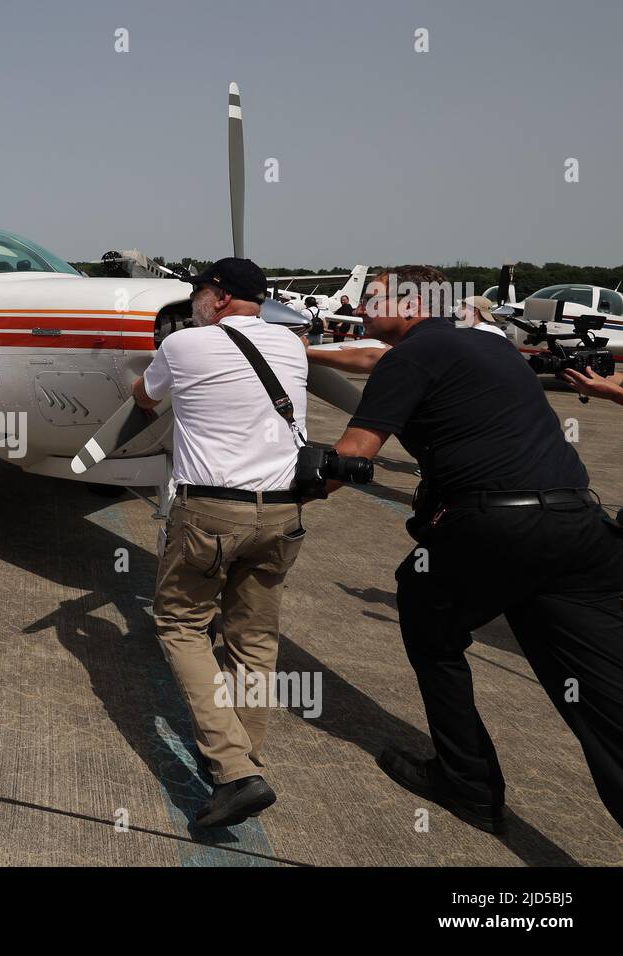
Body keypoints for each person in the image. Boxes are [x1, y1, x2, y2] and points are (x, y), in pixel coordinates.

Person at [323, 265, 623, 832]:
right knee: (604, 700)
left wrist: (254, 494)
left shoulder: (409, 357)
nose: (360, 310)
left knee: (426, 616)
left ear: (412, 305)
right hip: (578, 526)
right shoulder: (491, 348)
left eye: (372, 300)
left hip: (492, 530)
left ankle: (468, 784)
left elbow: (351, 460)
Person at [132, 256, 308, 827]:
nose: (194, 303)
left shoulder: (184, 346)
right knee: (253, 640)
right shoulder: (292, 346)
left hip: (210, 512)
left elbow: (144, 398)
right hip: (283, 514)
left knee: (180, 625)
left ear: (222, 298)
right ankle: (242, 762)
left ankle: (235, 771)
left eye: (200, 293)